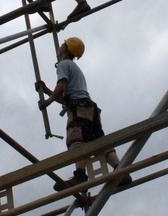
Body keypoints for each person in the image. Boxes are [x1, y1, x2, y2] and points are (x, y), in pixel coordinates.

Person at [36, 37, 132, 191]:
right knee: (99, 142)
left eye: (62, 44)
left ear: (66, 49)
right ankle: (120, 170)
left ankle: (80, 175)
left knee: (76, 140)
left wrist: (47, 101)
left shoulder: (63, 64)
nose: (59, 47)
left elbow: (61, 87)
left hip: (79, 108)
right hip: (90, 108)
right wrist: (47, 90)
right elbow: (66, 97)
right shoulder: (73, 67)